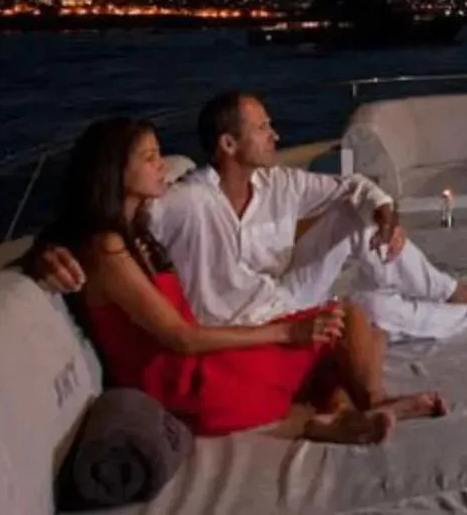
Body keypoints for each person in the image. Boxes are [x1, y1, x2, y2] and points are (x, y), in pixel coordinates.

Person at [45, 117, 444, 442]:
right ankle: (368, 402)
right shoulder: (108, 248)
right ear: (114, 171)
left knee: (351, 326)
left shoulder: (138, 229)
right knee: (344, 329)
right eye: (149, 158)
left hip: (196, 364)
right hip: (188, 384)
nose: (162, 165)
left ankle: (340, 415)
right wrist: (286, 333)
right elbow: (180, 337)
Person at [35, 91, 467, 342]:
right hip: (255, 319)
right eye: (262, 128)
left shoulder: (277, 183)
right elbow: (97, 219)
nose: (275, 136)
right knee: (370, 307)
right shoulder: (183, 201)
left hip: (281, 295)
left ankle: (450, 292)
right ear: (229, 144)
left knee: (360, 215)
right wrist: (46, 250)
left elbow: (352, 186)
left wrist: (386, 212)